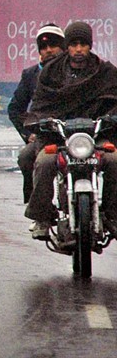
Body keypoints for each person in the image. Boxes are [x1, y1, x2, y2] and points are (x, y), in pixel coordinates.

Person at [25, 21, 117, 239]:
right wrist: (43, 122)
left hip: (96, 136)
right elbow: (39, 105)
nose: (78, 49)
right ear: (67, 46)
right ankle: (43, 217)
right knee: (44, 162)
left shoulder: (105, 72)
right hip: (59, 137)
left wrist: (110, 119)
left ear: (90, 46)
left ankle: (112, 215)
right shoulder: (50, 73)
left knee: (114, 161)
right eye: (74, 44)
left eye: (83, 44)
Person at [8, 24, 65, 204]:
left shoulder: (77, 71)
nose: (49, 51)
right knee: (26, 158)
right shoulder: (31, 75)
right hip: (45, 136)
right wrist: (29, 133)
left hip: (75, 135)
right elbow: (15, 109)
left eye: (53, 46)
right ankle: (38, 211)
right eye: (44, 47)